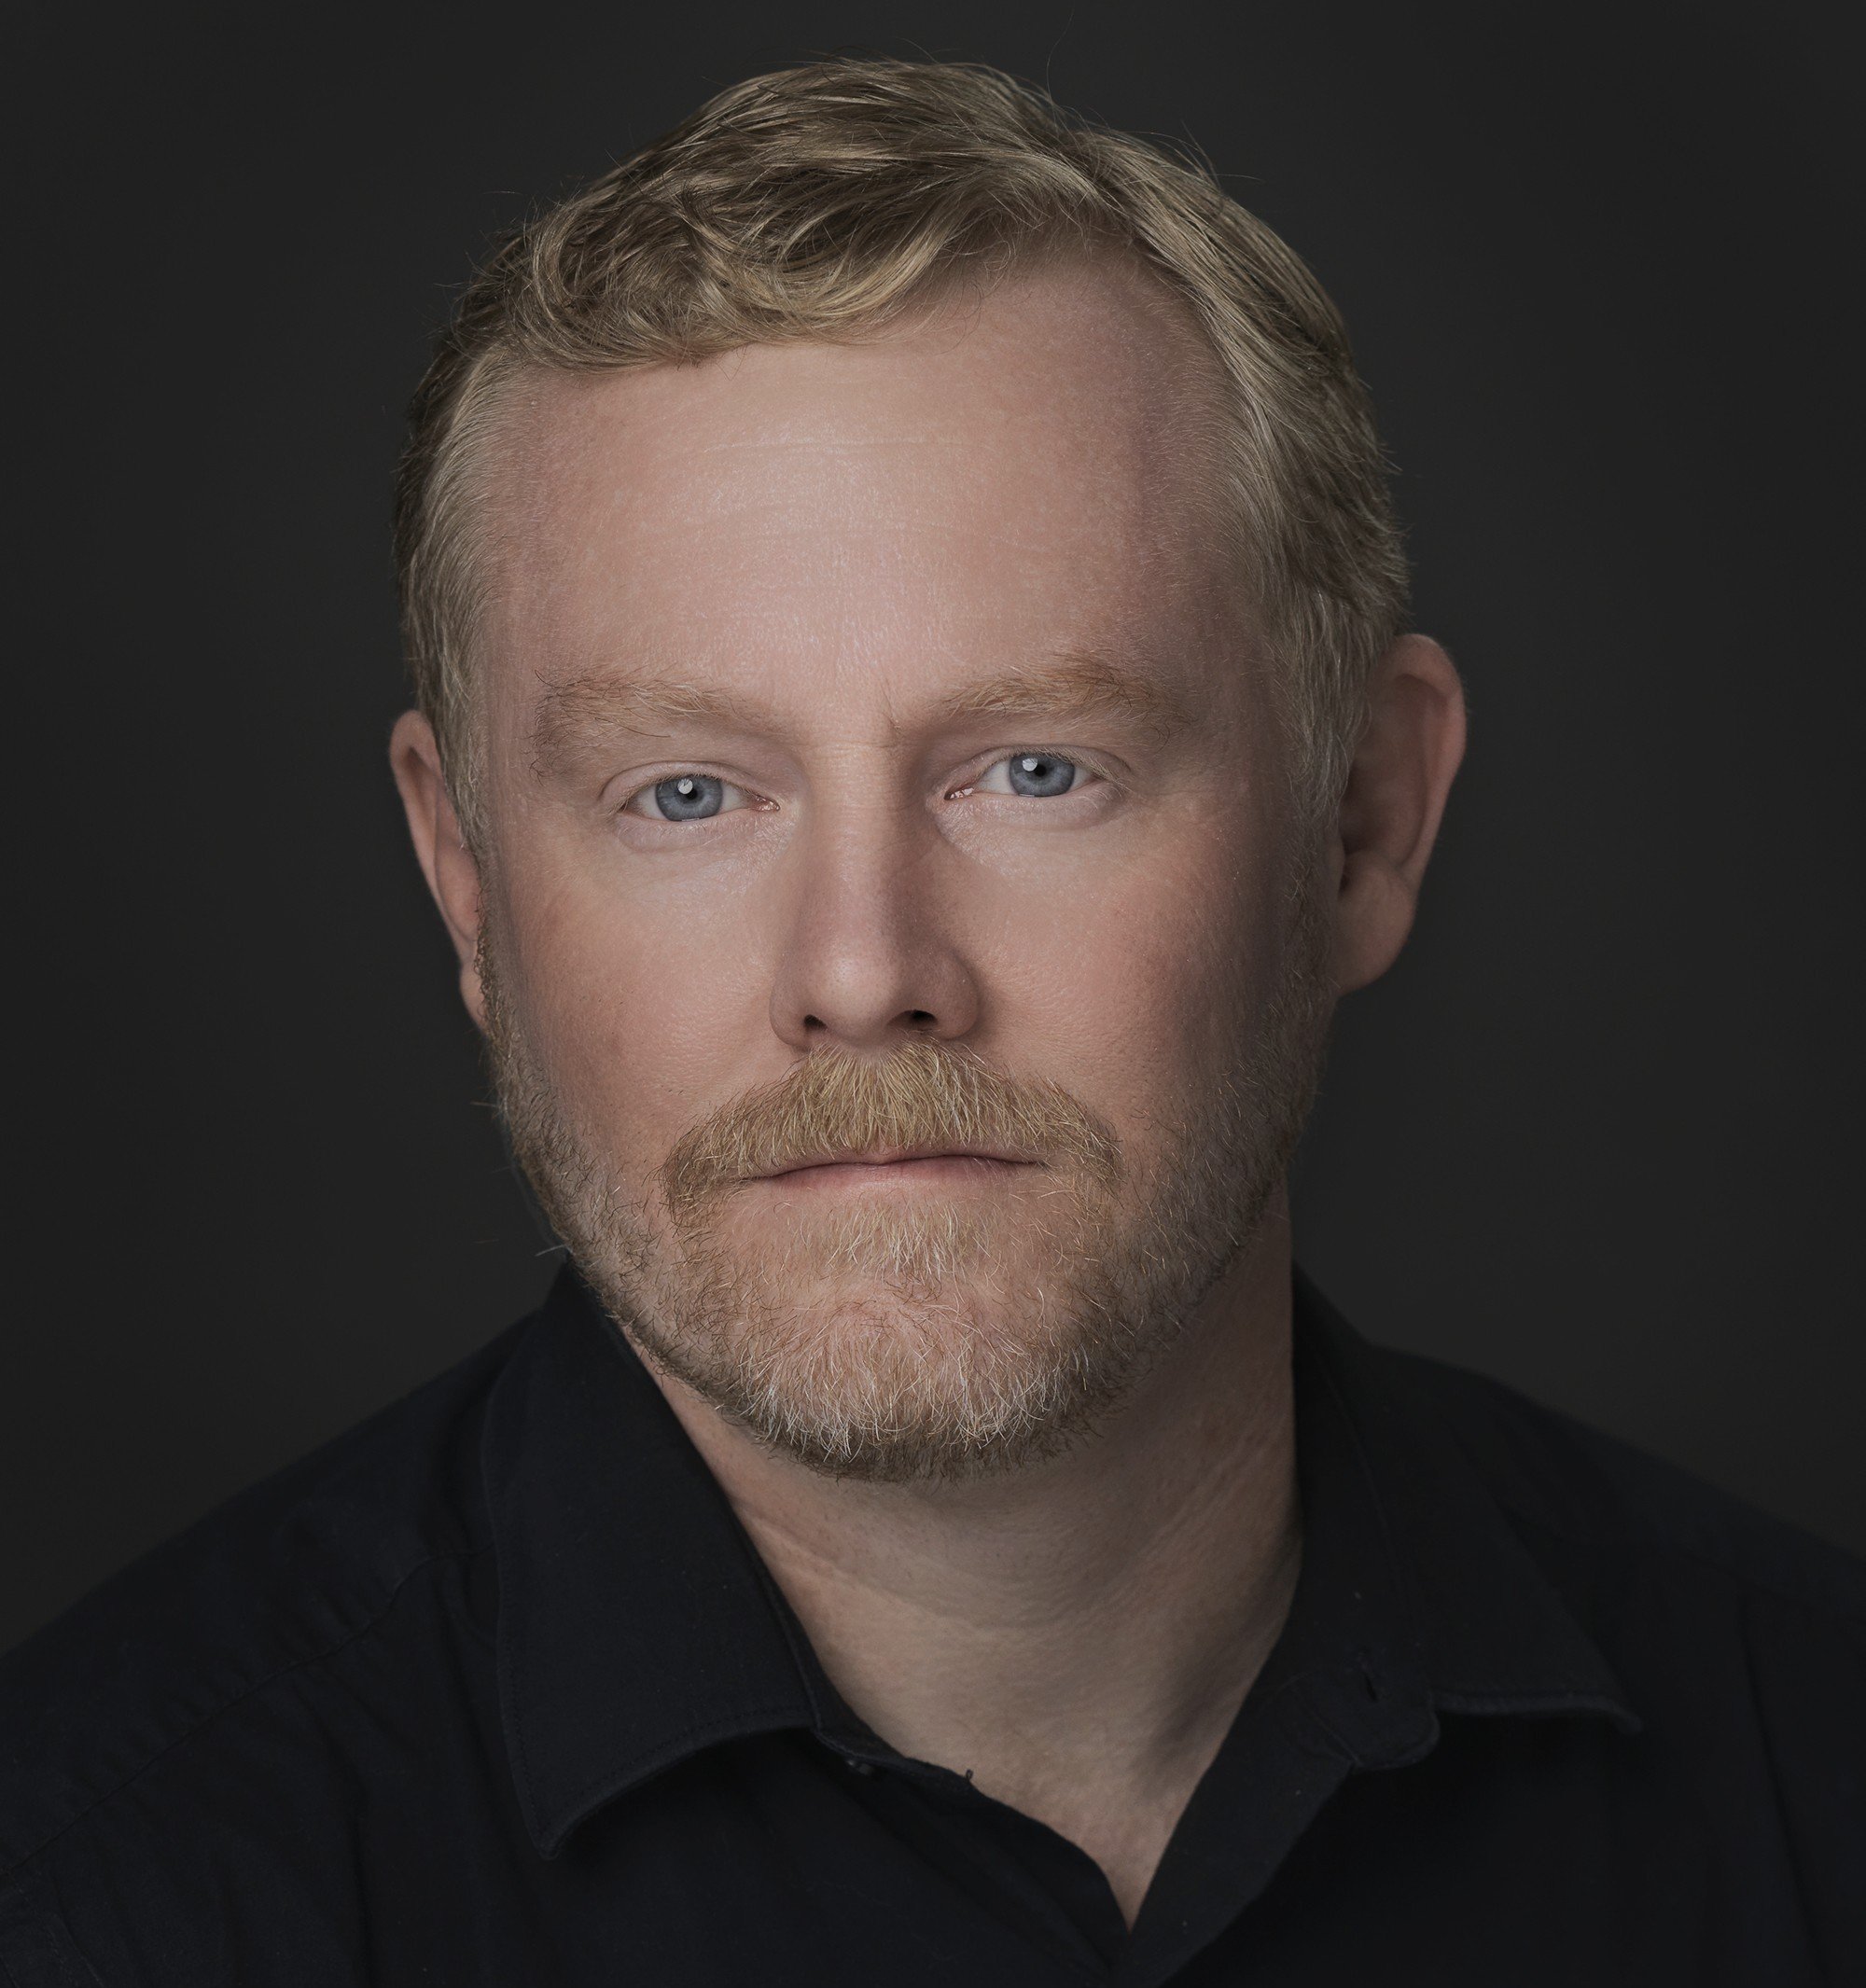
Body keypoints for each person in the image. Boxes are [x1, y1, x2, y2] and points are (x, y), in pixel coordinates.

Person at [1, 55, 1859, 1988]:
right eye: (687, 792)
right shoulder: (94, 1909)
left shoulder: (1817, 1773)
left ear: (1360, 823)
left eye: (1036, 768)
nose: (863, 966)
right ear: (466, 883)